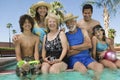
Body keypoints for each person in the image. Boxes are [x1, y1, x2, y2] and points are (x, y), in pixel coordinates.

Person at [64, 13, 103, 80]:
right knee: (82, 69)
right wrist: (83, 47)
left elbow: (89, 45)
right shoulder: (65, 35)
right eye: (67, 22)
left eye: (71, 21)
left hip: (86, 57)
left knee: (99, 66)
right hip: (74, 59)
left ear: (75, 22)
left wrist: (73, 47)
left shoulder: (83, 30)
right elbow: (69, 53)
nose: (69, 24)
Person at [14, 14, 41, 80]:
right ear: (22, 25)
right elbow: (18, 55)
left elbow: (36, 52)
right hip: (22, 60)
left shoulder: (36, 38)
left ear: (32, 24)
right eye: (25, 22)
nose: (27, 24)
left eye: (29, 22)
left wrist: (37, 61)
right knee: (21, 74)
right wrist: (22, 63)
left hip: (32, 60)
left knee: (37, 73)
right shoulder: (18, 38)